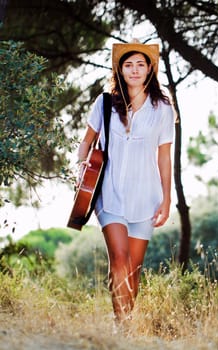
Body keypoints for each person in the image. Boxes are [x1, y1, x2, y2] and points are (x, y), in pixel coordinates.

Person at [77, 39, 175, 322]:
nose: (134, 70)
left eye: (140, 65)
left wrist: (167, 200)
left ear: (149, 70)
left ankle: (126, 324)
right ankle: (121, 326)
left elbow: (165, 157)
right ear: (119, 69)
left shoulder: (163, 109)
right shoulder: (104, 103)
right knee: (119, 259)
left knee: (133, 267)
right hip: (109, 193)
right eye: (128, 65)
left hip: (146, 197)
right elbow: (86, 143)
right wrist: (80, 170)